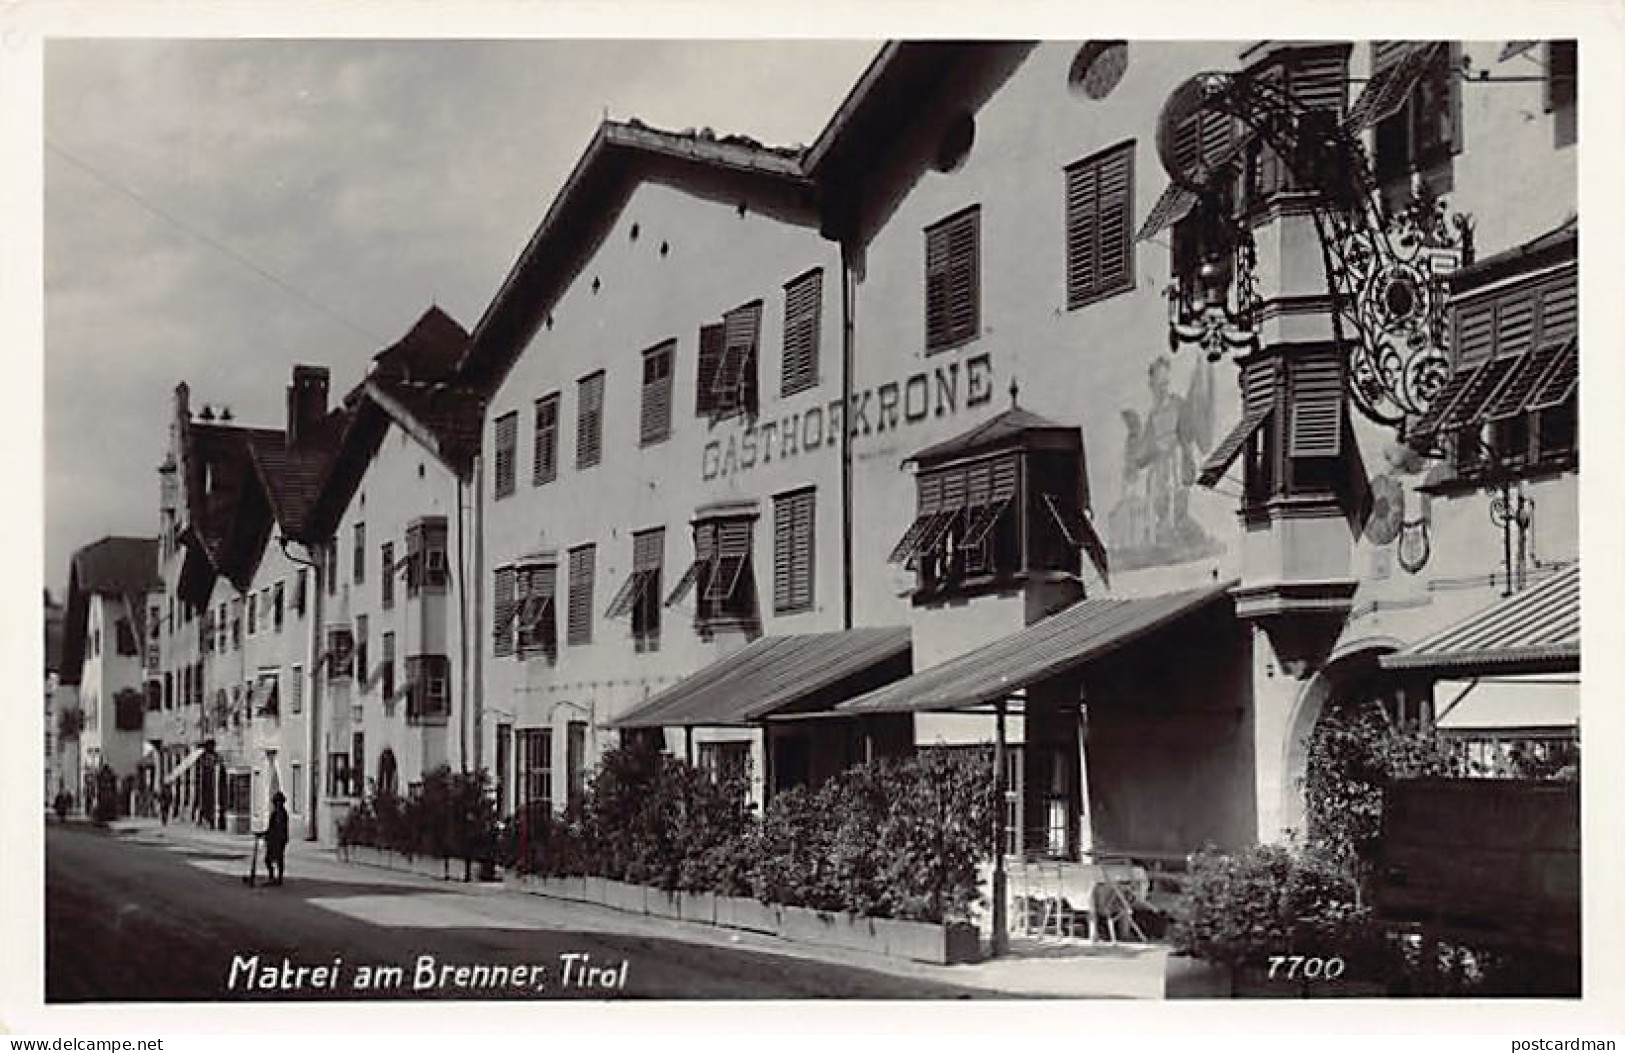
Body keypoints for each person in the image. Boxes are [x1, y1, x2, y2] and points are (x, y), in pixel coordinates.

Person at [260, 791, 290, 885]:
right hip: (273, 839)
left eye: (279, 801)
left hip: (279, 839)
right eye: (276, 801)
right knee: (268, 859)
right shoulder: (275, 813)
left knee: (279, 858)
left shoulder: (282, 814)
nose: (278, 803)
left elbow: (281, 828)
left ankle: (279, 878)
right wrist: (264, 834)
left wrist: (281, 838)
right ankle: (272, 876)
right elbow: (271, 826)